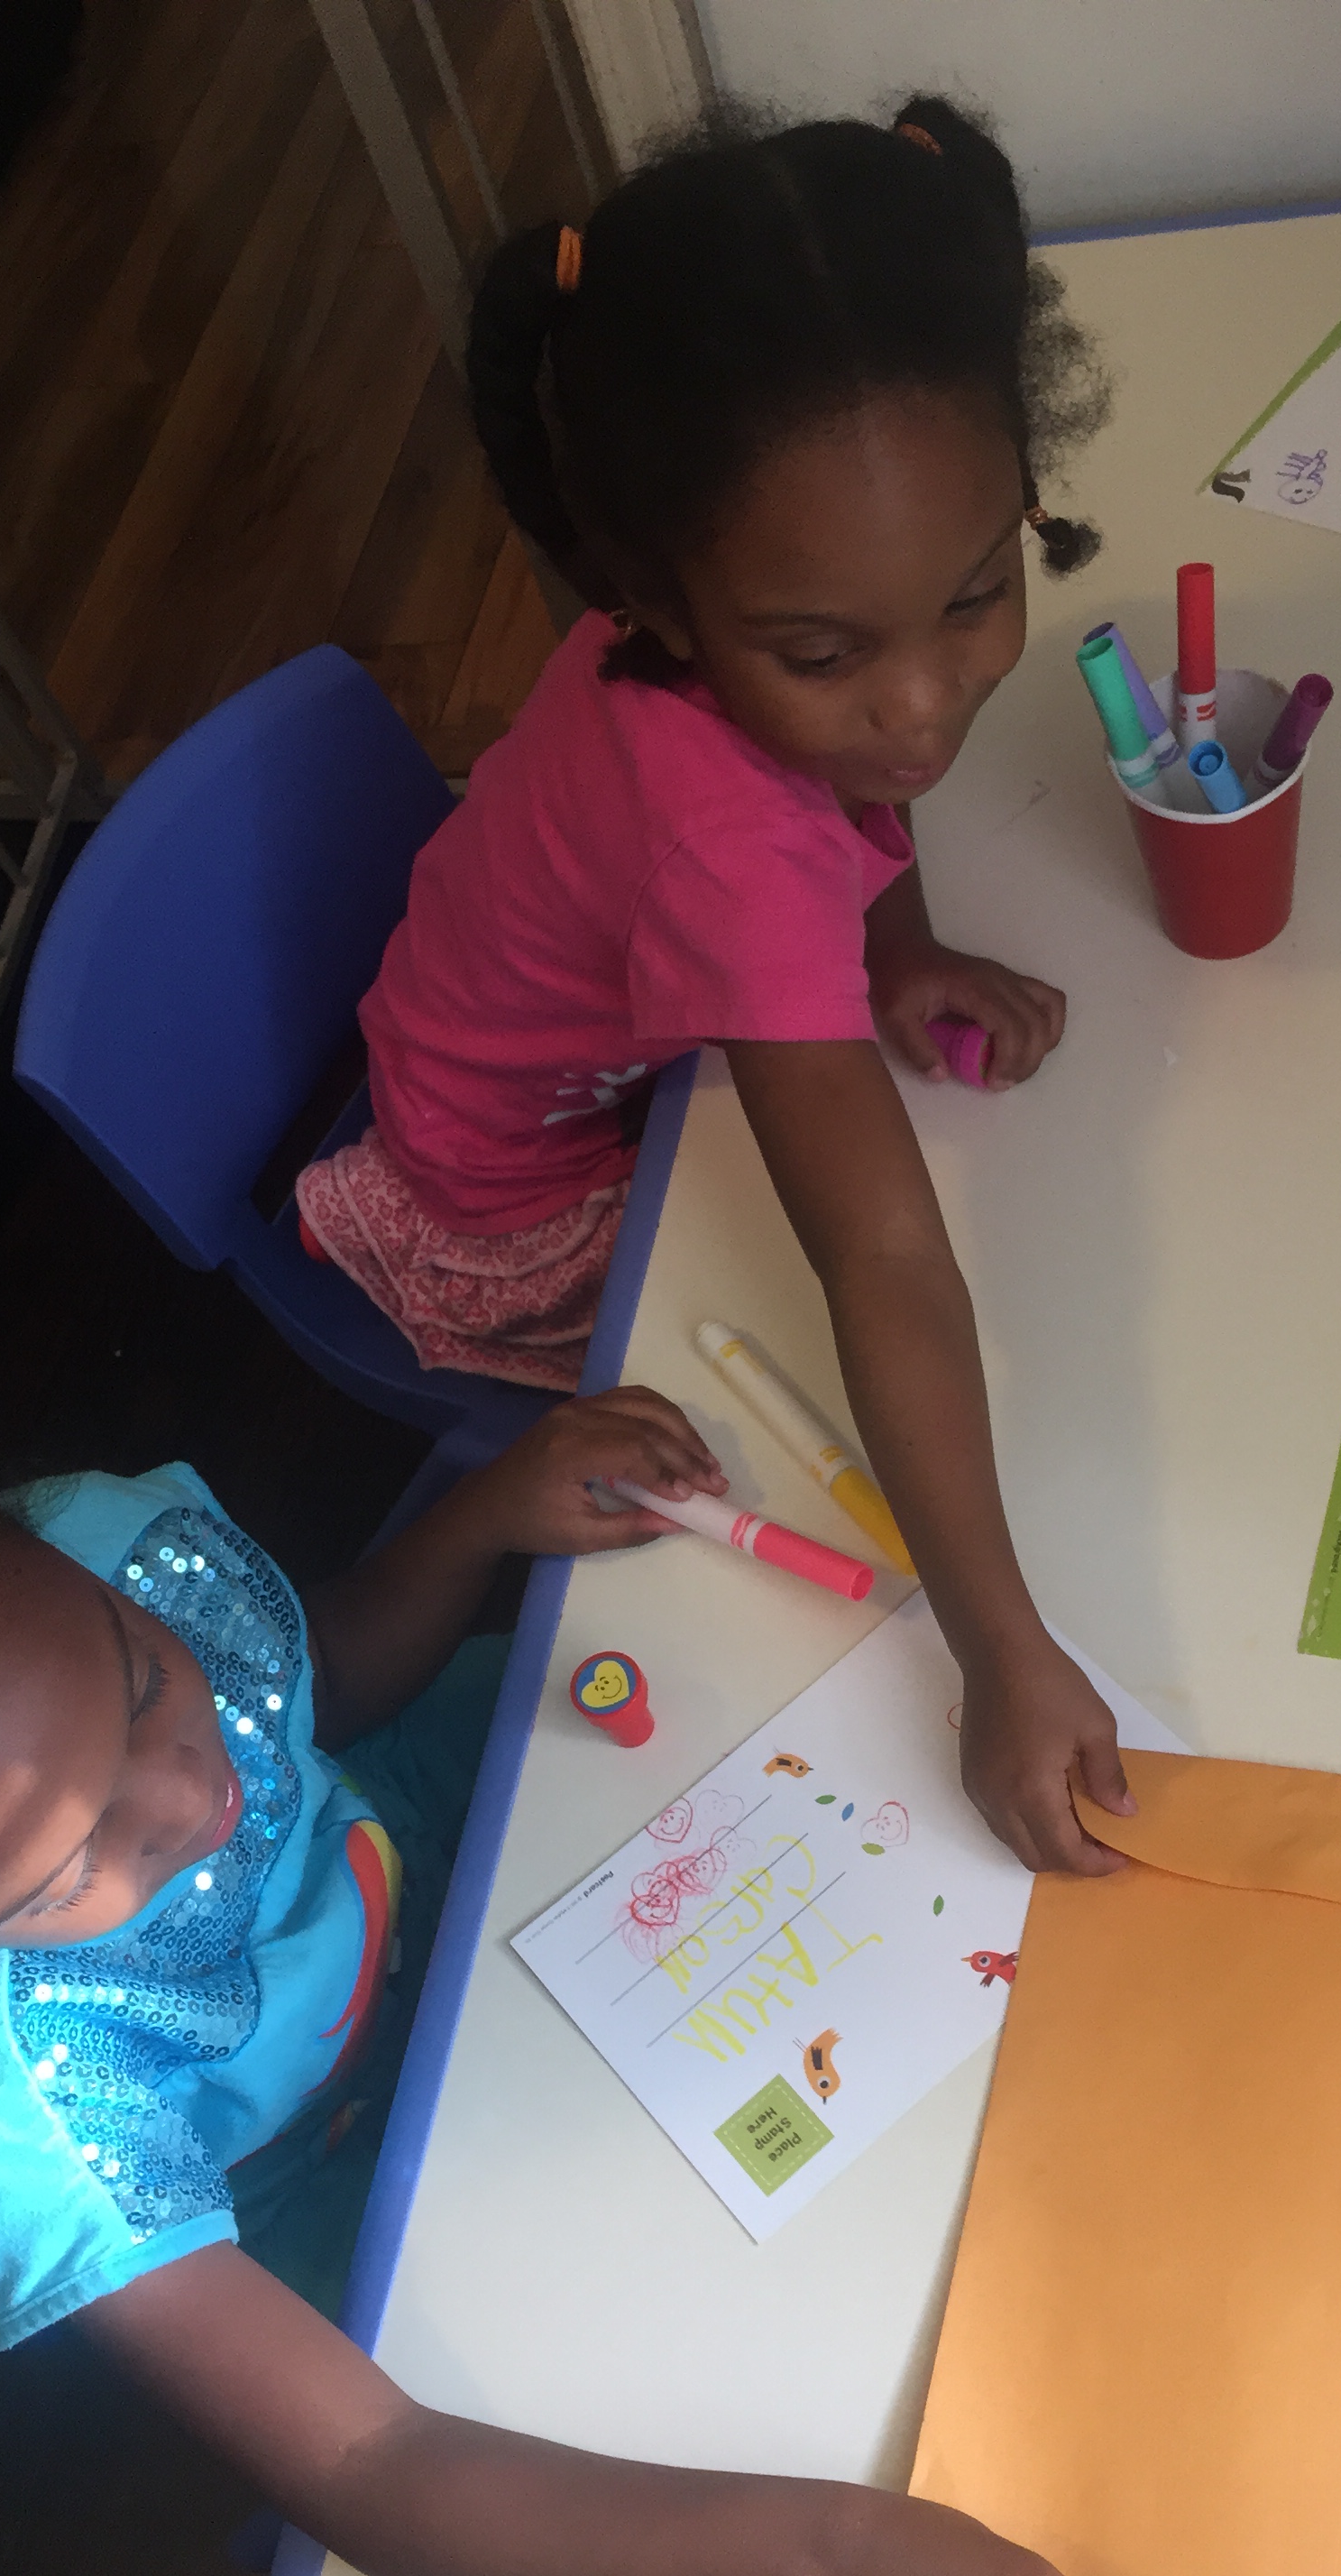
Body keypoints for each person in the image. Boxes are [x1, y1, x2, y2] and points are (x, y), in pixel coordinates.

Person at [0, 1407, 1137, 2576]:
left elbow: (308, 1690)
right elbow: (373, 2464)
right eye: (62, 1872)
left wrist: (469, 1527)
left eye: (137, 1682)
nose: (192, 1795)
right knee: (660, 2349)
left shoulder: (90, 1536)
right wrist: (835, 2560)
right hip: (318, 2172)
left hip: (420, 1818)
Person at [294, 94, 1134, 1882]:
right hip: (499, 1188)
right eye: (825, 651)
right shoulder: (722, 849)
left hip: (584, 1052)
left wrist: (894, 947)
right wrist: (998, 1647)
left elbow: (860, 789)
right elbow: (880, 1259)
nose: (923, 706)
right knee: (912, 1362)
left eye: (976, 595)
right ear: (654, 603)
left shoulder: (754, 647)